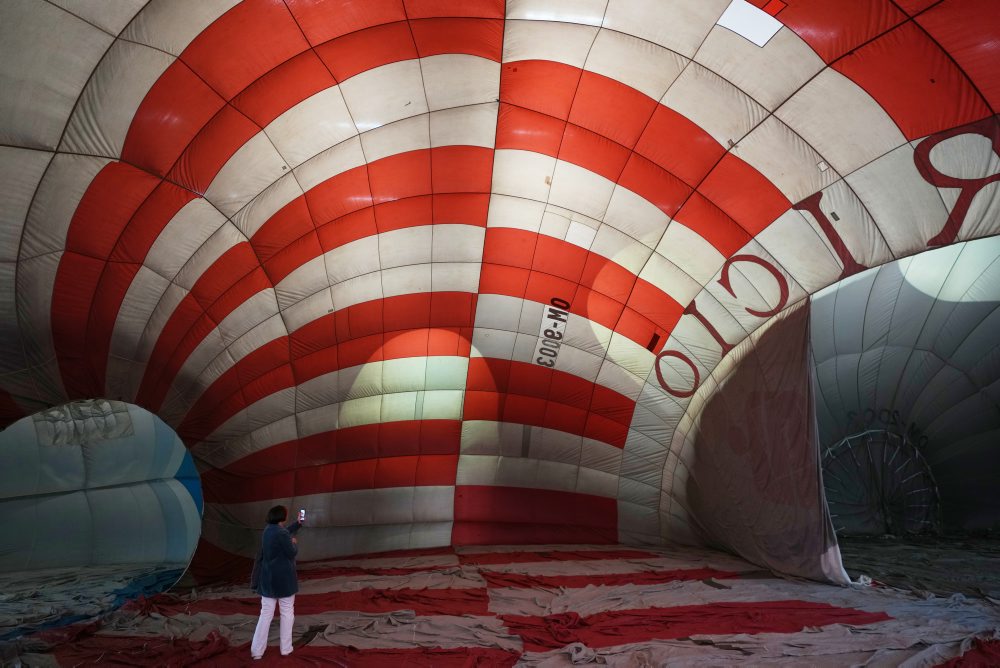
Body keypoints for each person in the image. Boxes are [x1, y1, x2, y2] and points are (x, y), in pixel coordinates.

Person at [250, 505, 303, 659]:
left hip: (267, 580)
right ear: (282, 517)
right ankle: (286, 648)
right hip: (284, 580)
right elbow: (291, 551)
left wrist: (298, 523)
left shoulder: (268, 530)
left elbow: (284, 533)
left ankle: (257, 651)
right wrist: (293, 542)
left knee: (265, 614)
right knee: (287, 612)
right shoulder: (282, 534)